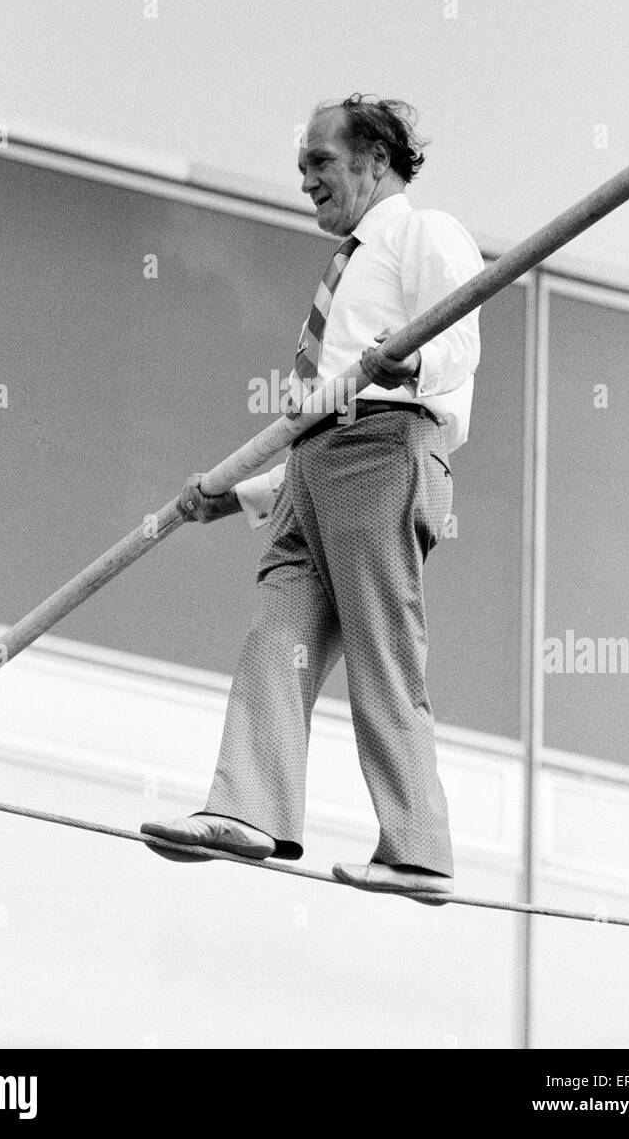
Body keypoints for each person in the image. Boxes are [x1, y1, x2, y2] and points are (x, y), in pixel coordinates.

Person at [142, 93, 483, 905]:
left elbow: (458, 339)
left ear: (375, 158)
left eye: (320, 164)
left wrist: (410, 365)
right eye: (302, 168)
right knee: (275, 639)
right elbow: (317, 407)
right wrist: (243, 493)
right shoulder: (350, 264)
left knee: (381, 646)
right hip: (314, 463)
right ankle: (247, 810)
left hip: (382, 448)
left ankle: (418, 850)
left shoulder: (421, 232)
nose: (307, 183)